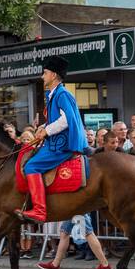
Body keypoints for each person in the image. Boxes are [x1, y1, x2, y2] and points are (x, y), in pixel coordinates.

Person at [19, 55, 88, 223]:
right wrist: (44, 127)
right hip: (56, 142)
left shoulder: (62, 94)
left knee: (31, 167)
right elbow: (58, 119)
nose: (42, 76)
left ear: (54, 75)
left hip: (61, 145)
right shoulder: (55, 94)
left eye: (45, 73)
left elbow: (66, 120)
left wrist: (47, 131)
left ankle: (40, 211)